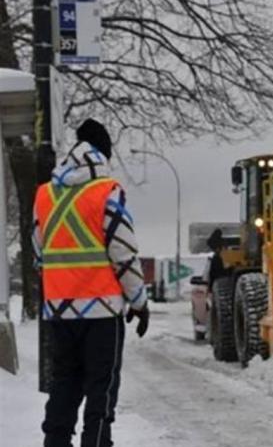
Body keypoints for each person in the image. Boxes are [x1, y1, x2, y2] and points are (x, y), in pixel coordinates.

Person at [34, 118, 148, 447]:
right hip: (102, 313)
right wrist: (139, 303)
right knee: (101, 392)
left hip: (59, 313)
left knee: (64, 384)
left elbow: (39, 250)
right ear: (104, 154)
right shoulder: (106, 192)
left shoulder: (44, 196)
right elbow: (123, 253)